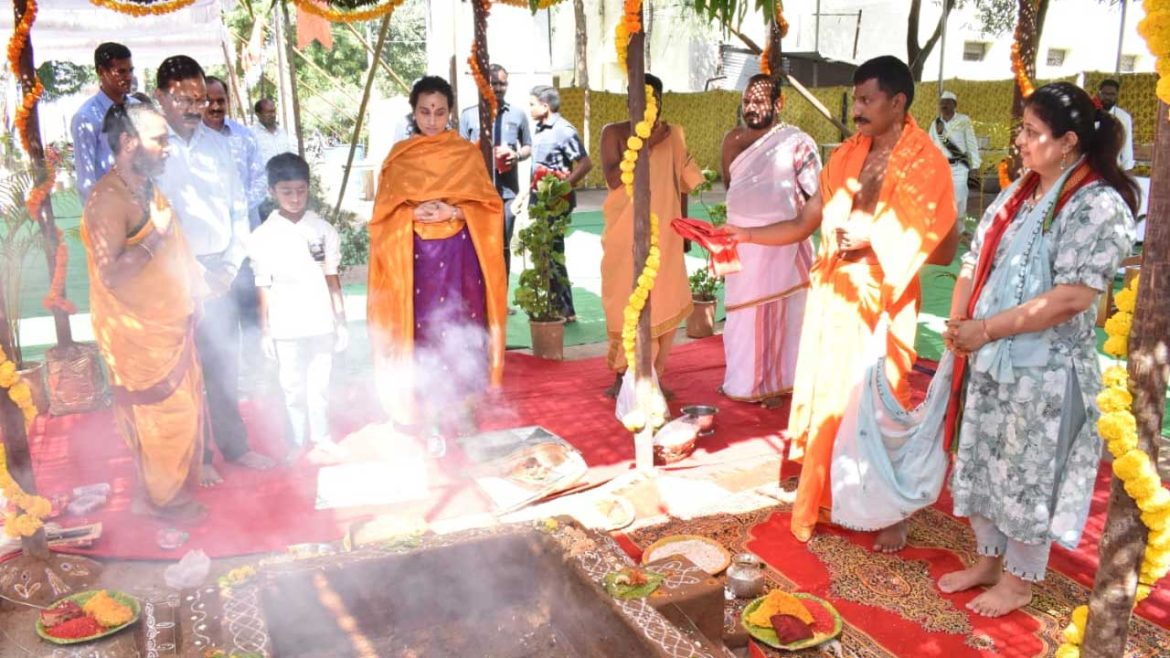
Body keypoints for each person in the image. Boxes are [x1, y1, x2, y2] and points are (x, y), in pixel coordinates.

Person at [725, 56, 957, 549]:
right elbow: (808, 220)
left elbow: (943, 246)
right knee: (831, 400)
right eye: (856, 99)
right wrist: (742, 233)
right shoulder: (848, 156)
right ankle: (831, 492)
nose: (858, 110)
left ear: (898, 103)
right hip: (836, 294)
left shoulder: (925, 162)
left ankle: (887, 509)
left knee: (876, 402)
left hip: (883, 298)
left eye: (868, 100)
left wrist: (875, 239)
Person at [938, 82, 1137, 617]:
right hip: (993, 353)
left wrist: (987, 330)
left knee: (1028, 472)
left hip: (1045, 372)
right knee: (983, 459)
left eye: (1032, 132)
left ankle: (1020, 581)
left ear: (1068, 141)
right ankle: (987, 560)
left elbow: (1072, 297)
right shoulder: (1019, 192)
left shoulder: (1098, 205)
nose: (1020, 140)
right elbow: (975, 257)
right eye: (1022, 129)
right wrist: (962, 323)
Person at [80, 103, 207, 522]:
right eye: (160, 140)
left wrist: (194, 293)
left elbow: (174, 247)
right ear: (130, 142)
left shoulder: (147, 189)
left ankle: (163, 488)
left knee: (182, 408)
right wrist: (155, 237)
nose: (168, 147)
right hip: (138, 335)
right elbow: (112, 274)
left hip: (171, 323)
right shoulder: (106, 200)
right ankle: (161, 500)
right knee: (163, 416)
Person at [154, 55, 274, 485]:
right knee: (184, 371)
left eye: (200, 99)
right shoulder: (153, 149)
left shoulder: (222, 146)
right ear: (160, 98)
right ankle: (197, 456)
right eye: (183, 99)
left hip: (221, 270)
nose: (194, 108)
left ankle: (235, 448)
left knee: (225, 364)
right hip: (170, 276)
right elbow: (152, 222)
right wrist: (185, 272)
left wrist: (227, 266)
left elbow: (239, 211)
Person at [367, 76, 507, 439]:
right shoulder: (400, 156)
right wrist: (410, 215)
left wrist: (454, 211)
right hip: (415, 260)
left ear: (449, 113)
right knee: (423, 329)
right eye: (425, 112)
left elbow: (488, 206)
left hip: (460, 255)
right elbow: (383, 213)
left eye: (440, 112)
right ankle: (426, 407)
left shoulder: (465, 153)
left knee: (463, 326)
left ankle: (464, 408)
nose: (432, 119)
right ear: (413, 112)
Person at [598, 74, 702, 394]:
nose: (645, 105)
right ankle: (624, 376)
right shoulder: (613, 133)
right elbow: (614, 178)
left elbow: (682, 183)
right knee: (625, 300)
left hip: (666, 234)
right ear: (629, 99)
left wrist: (683, 229)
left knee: (665, 299)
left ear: (660, 101)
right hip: (624, 234)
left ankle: (653, 376)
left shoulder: (674, 134)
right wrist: (645, 142)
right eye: (638, 98)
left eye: (652, 99)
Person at [719, 74, 818, 405]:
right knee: (741, 317)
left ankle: (778, 381)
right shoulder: (733, 140)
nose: (751, 108)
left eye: (759, 102)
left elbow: (816, 196)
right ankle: (743, 382)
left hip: (782, 245)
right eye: (747, 101)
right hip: (740, 246)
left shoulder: (798, 143)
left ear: (778, 104)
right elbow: (732, 187)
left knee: (782, 313)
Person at [249, 153, 348, 465]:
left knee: (319, 384)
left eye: (301, 190)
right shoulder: (262, 236)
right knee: (291, 387)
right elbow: (262, 284)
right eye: (286, 192)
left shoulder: (323, 229)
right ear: (272, 192)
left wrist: (341, 321)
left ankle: (321, 436)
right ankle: (296, 440)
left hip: (320, 319)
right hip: (284, 323)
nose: (294, 198)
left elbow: (332, 278)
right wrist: (266, 331)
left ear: (309, 188)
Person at [204, 76, 268, 390]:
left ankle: (257, 375)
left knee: (251, 308)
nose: (215, 107)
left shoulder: (244, 137)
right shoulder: (192, 142)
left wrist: (236, 212)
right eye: (209, 101)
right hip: (212, 250)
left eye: (220, 101)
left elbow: (260, 180)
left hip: (246, 240)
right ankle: (227, 380)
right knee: (220, 313)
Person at [460, 64, 533, 283]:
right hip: (477, 193)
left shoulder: (518, 115)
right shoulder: (469, 115)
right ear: (484, 84)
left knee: (502, 245)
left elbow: (528, 146)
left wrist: (515, 155)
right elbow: (460, 152)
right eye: (494, 83)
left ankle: (500, 298)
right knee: (478, 245)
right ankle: (481, 298)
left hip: (508, 193)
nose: (498, 88)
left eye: (503, 83)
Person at [529, 85, 592, 322]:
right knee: (544, 254)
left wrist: (564, 187)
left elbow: (585, 164)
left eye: (533, 104)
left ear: (545, 106)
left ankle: (565, 310)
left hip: (556, 203)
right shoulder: (540, 129)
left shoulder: (563, 130)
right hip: (539, 200)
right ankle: (555, 307)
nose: (531, 108)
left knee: (553, 254)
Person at [71, 42, 135, 203]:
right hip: (113, 208)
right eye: (121, 71)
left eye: (130, 70)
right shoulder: (86, 118)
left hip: (146, 207)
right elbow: (86, 181)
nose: (128, 77)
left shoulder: (138, 109)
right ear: (101, 72)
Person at [930, 90, 981, 218]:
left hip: (959, 166)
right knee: (941, 198)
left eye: (947, 103)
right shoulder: (936, 124)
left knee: (959, 198)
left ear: (954, 105)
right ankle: (944, 229)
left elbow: (971, 142)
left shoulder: (964, 120)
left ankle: (960, 230)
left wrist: (975, 166)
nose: (944, 106)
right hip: (941, 166)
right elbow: (930, 145)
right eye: (942, 103)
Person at [1096, 79, 1135, 171]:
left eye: (1112, 94)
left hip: (1113, 167)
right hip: (1090, 166)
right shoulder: (1089, 113)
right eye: (1105, 94)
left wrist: (1126, 169)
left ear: (1117, 95)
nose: (1108, 97)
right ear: (1099, 94)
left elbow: (1127, 144)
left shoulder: (1124, 117)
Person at [252, 98, 294, 166]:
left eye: (273, 111)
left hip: (285, 175)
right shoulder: (252, 135)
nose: (273, 115)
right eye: (268, 112)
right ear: (258, 114)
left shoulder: (282, 132)